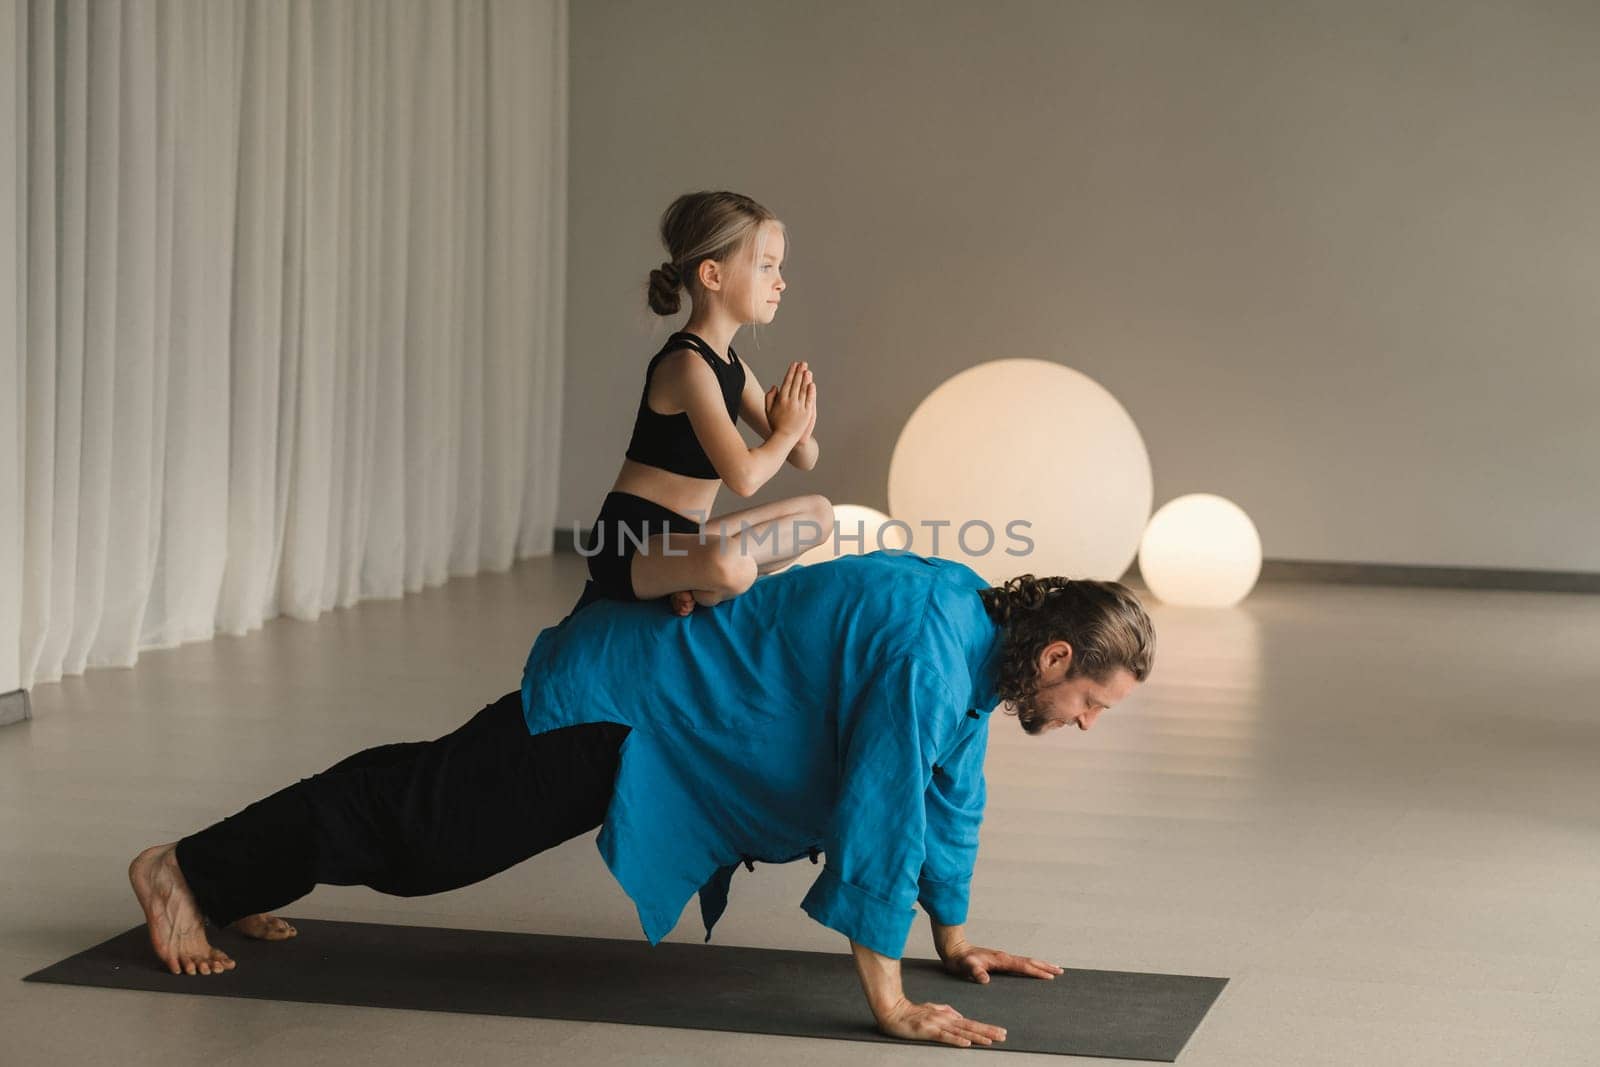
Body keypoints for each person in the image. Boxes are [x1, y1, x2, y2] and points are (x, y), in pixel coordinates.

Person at [127, 551, 1155, 1048]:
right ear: (1055, 652)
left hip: (670, 720)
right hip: (628, 709)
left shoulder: (974, 637)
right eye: (1089, 700)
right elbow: (882, 808)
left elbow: (949, 783)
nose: (1082, 721)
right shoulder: (933, 651)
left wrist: (956, 934)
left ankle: (240, 863)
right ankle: (181, 870)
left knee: (427, 793)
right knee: (425, 838)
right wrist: (888, 1000)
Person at [574, 191, 833, 619]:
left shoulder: (731, 364)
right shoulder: (687, 366)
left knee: (819, 515)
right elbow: (745, 477)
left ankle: (693, 580)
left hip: (688, 538)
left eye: (779, 268)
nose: (781, 282)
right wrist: (785, 433)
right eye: (766, 267)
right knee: (731, 566)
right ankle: (702, 581)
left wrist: (799, 425)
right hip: (632, 544)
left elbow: (804, 458)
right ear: (712, 274)